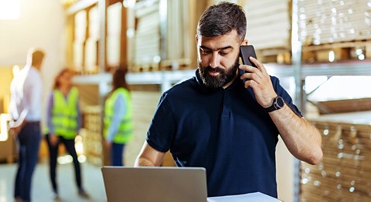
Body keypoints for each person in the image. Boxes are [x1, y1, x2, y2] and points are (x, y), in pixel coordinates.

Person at [135, 2, 323, 198]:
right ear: (197, 41)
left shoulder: (269, 89)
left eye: (224, 52)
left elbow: (312, 153)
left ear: (243, 47)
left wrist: (271, 102)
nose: (214, 63)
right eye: (205, 51)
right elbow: (147, 160)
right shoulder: (175, 100)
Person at [45, 68, 88, 199]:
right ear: (59, 78)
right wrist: (52, 132)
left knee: (76, 160)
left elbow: (78, 113)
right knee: (53, 162)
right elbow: (48, 114)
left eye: (69, 77)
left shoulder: (74, 93)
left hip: (69, 133)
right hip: (54, 134)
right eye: (65, 77)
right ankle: (54, 190)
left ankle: (80, 187)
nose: (67, 80)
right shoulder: (54, 93)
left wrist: (78, 130)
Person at [9, 48, 45, 202]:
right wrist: (19, 124)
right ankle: (26, 199)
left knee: (22, 163)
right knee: (29, 166)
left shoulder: (19, 76)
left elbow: (13, 104)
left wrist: (14, 122)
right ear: (41, 61)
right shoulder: (35, 77)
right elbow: (31, 106)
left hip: (20, 126)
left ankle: (18, 196)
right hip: (29, 126)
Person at [103, 68, 133, 166]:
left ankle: (120, 181)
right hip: (120, 135)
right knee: (118, 163)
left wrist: (109, 137)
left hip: (118, 135)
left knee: (117, 165)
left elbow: (117, 118)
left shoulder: (120, 94)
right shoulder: (122, 93)